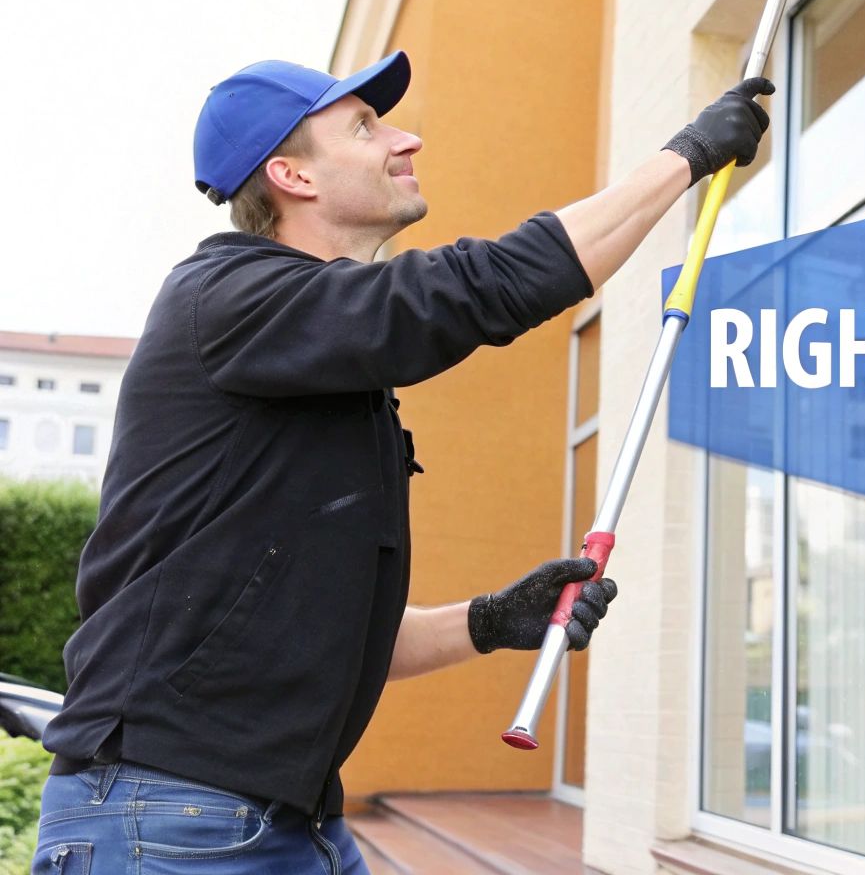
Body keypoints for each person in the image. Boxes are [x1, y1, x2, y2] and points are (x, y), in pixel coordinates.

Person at [33, 52, 773, 875]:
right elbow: (474, 289)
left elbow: (336, 634)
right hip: (171, 818)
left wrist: (493, 620)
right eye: (365, 126)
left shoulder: (316, 361)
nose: (405, 138)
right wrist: (686, 158)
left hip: (285, 820)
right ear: (290, 175)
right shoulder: (226, 297)